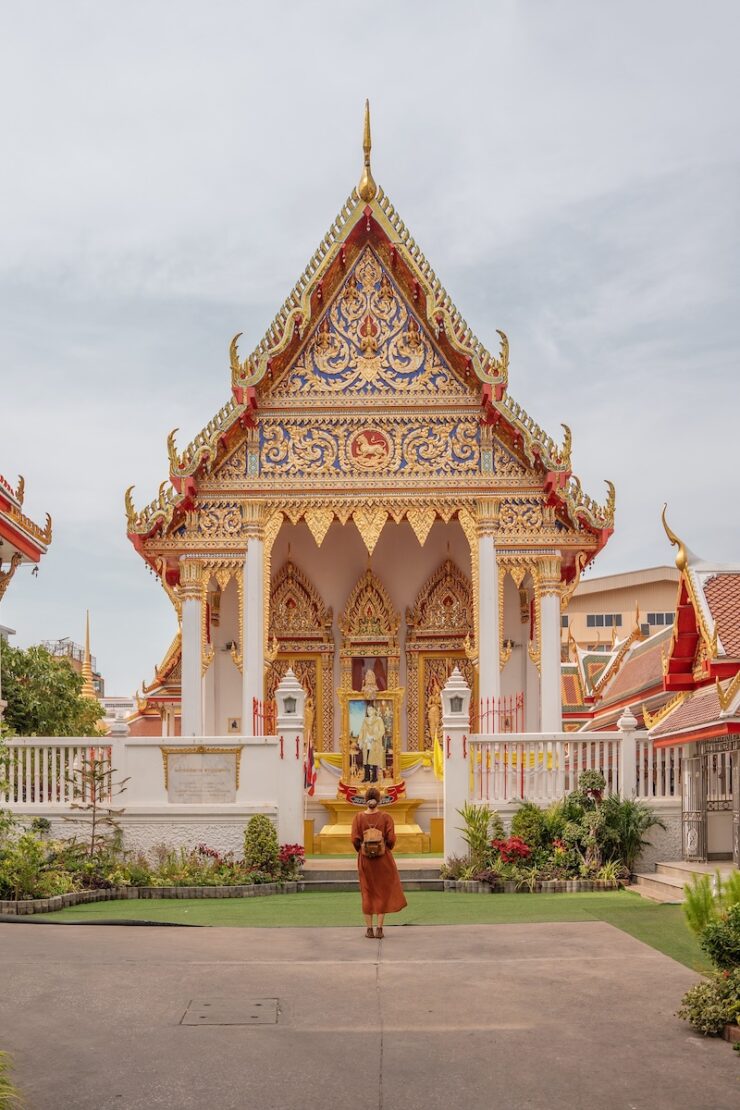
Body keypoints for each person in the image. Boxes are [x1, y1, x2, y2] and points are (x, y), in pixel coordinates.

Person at [350, 786, 407, 939]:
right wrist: (384, 848)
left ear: (365, 799)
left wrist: (363, 850)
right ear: (379, 800)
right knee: (382, 892)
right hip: (383, 860)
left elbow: (354, 839)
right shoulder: (386, 817)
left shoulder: (358, 817)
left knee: (367, 892)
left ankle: (369, 929)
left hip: (365, 861)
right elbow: (391, 839)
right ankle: (380, 929)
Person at [358, 702, 384, 783]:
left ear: (374, 710)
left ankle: (374, 778)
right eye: (368, 710)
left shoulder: (378, 720)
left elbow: (382, 731)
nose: (369, 711)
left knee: (374, 760)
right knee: (366, 761)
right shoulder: (365, 720)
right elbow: (362, 731)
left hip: (374, 743)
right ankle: (366, 777)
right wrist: (360, 741)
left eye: (370, 709)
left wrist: (374, 737)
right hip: (366, 743)